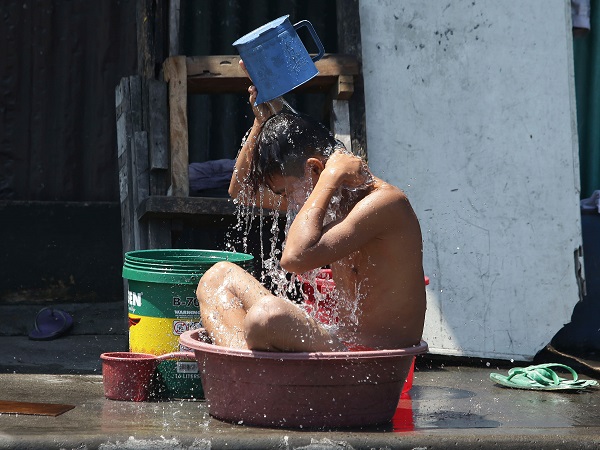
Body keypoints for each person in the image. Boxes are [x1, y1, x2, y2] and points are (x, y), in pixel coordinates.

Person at [196, 75, 426, 352]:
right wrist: (260, 123)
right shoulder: (327, 201)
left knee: (267, 315)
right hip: (339, 342)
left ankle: (255, 375)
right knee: (217, 278)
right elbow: (242, 191)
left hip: (373, 359)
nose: (290, 203)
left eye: (289, 192)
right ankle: (247, 373)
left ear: (315, 169)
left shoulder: (384, 203)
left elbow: (294, 259)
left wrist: (329, 177)